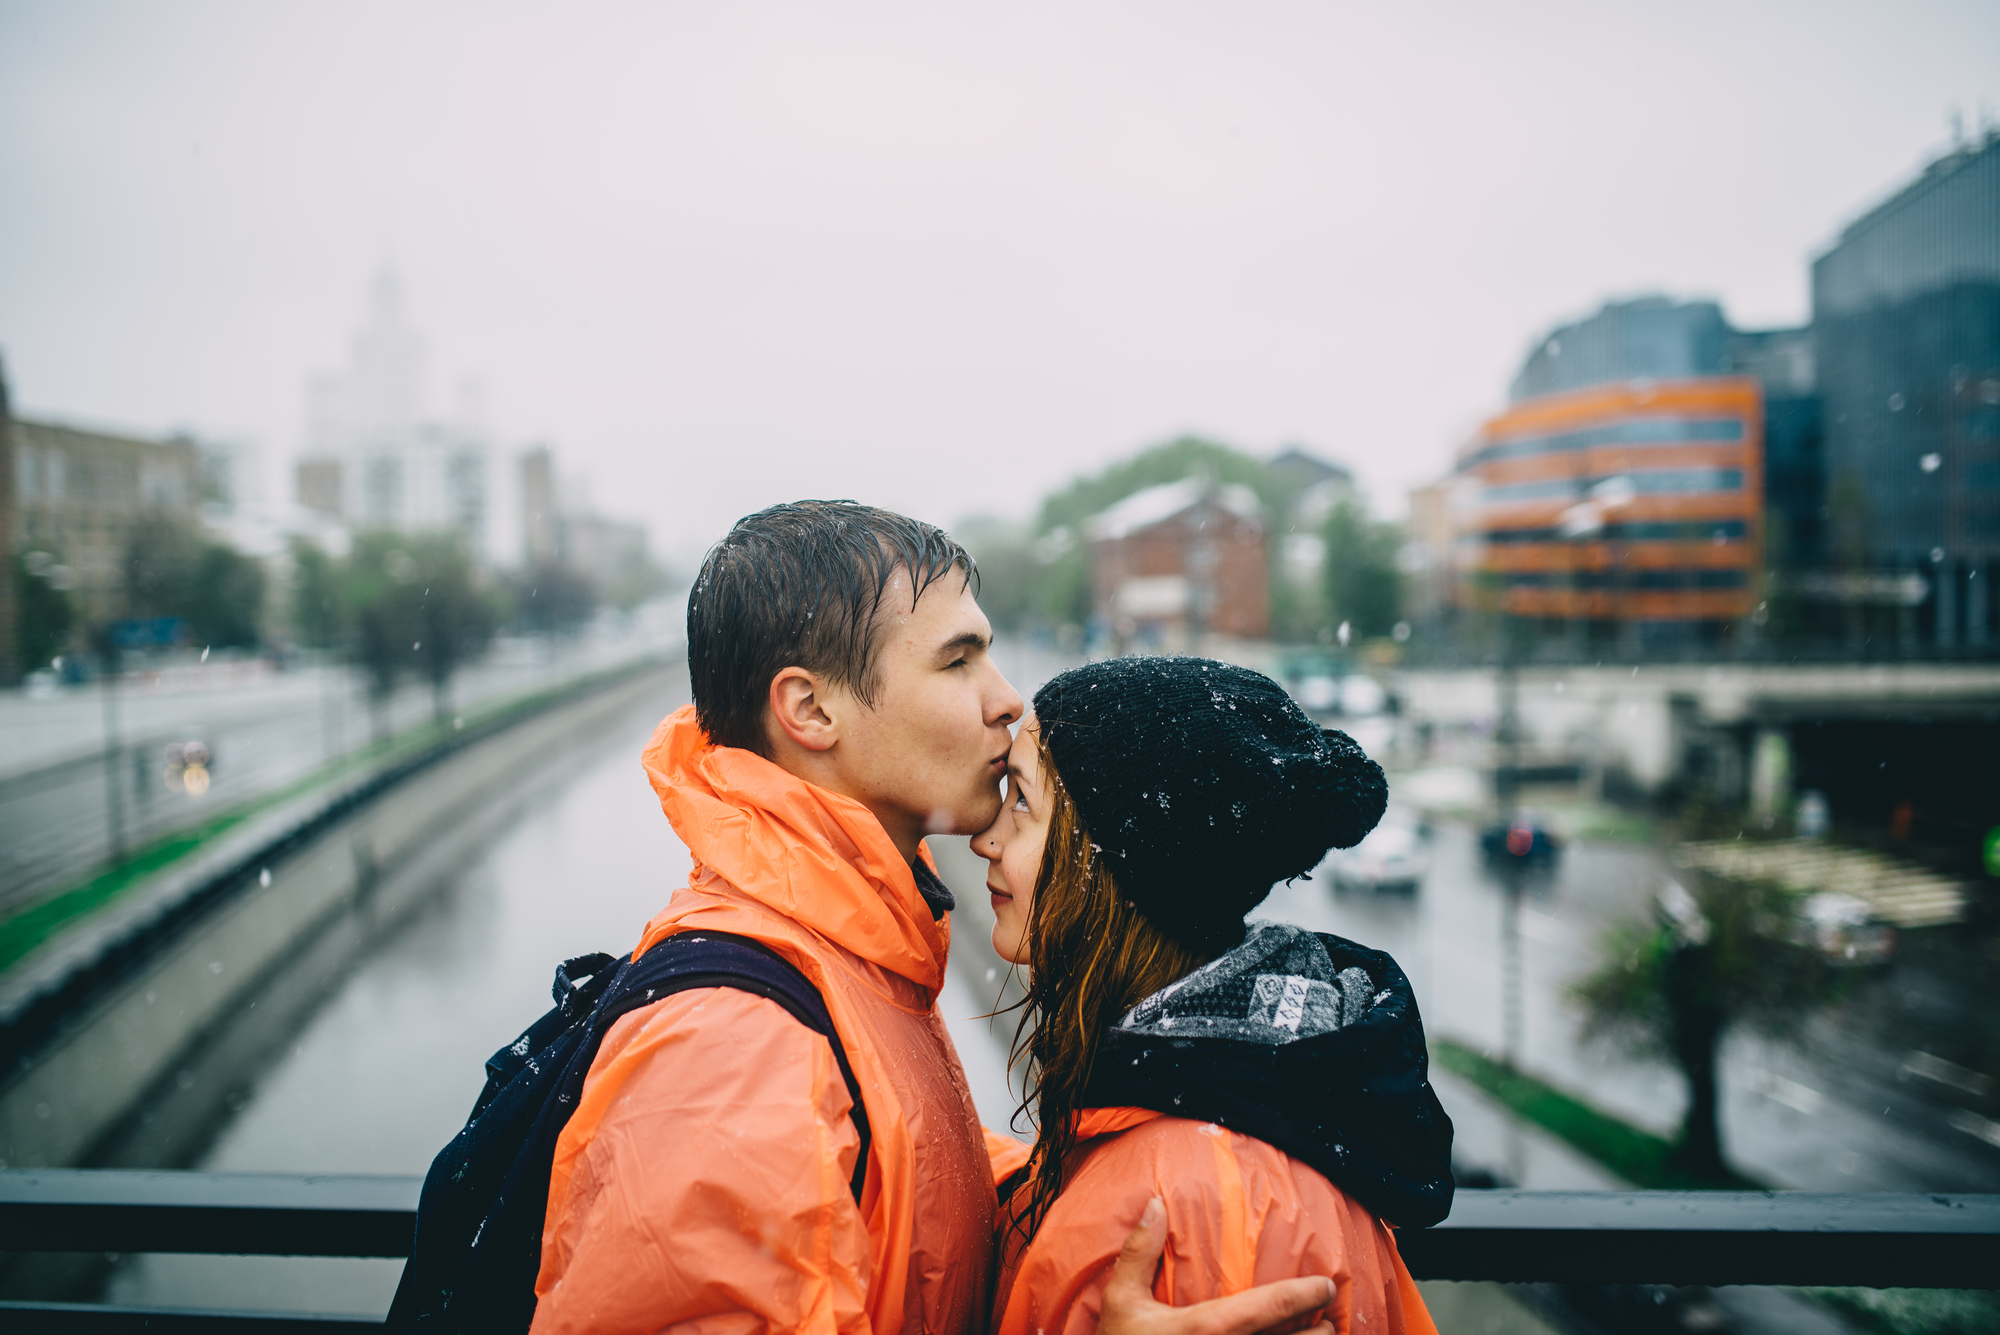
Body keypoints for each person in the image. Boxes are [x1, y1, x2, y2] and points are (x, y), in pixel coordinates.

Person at [531, 502, 1341, 1335]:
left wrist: (1101, 1195)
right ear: (810, 710)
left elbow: (899, 1184)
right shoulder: (733, 1050)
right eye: (958, 662)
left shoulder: (849, 945)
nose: (1006, 699)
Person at [973, 657, 1456, 1335]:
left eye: (1021, 800)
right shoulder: (1212, 1102)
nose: (984, 838)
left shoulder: (1199, 1209)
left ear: (1117, 868)